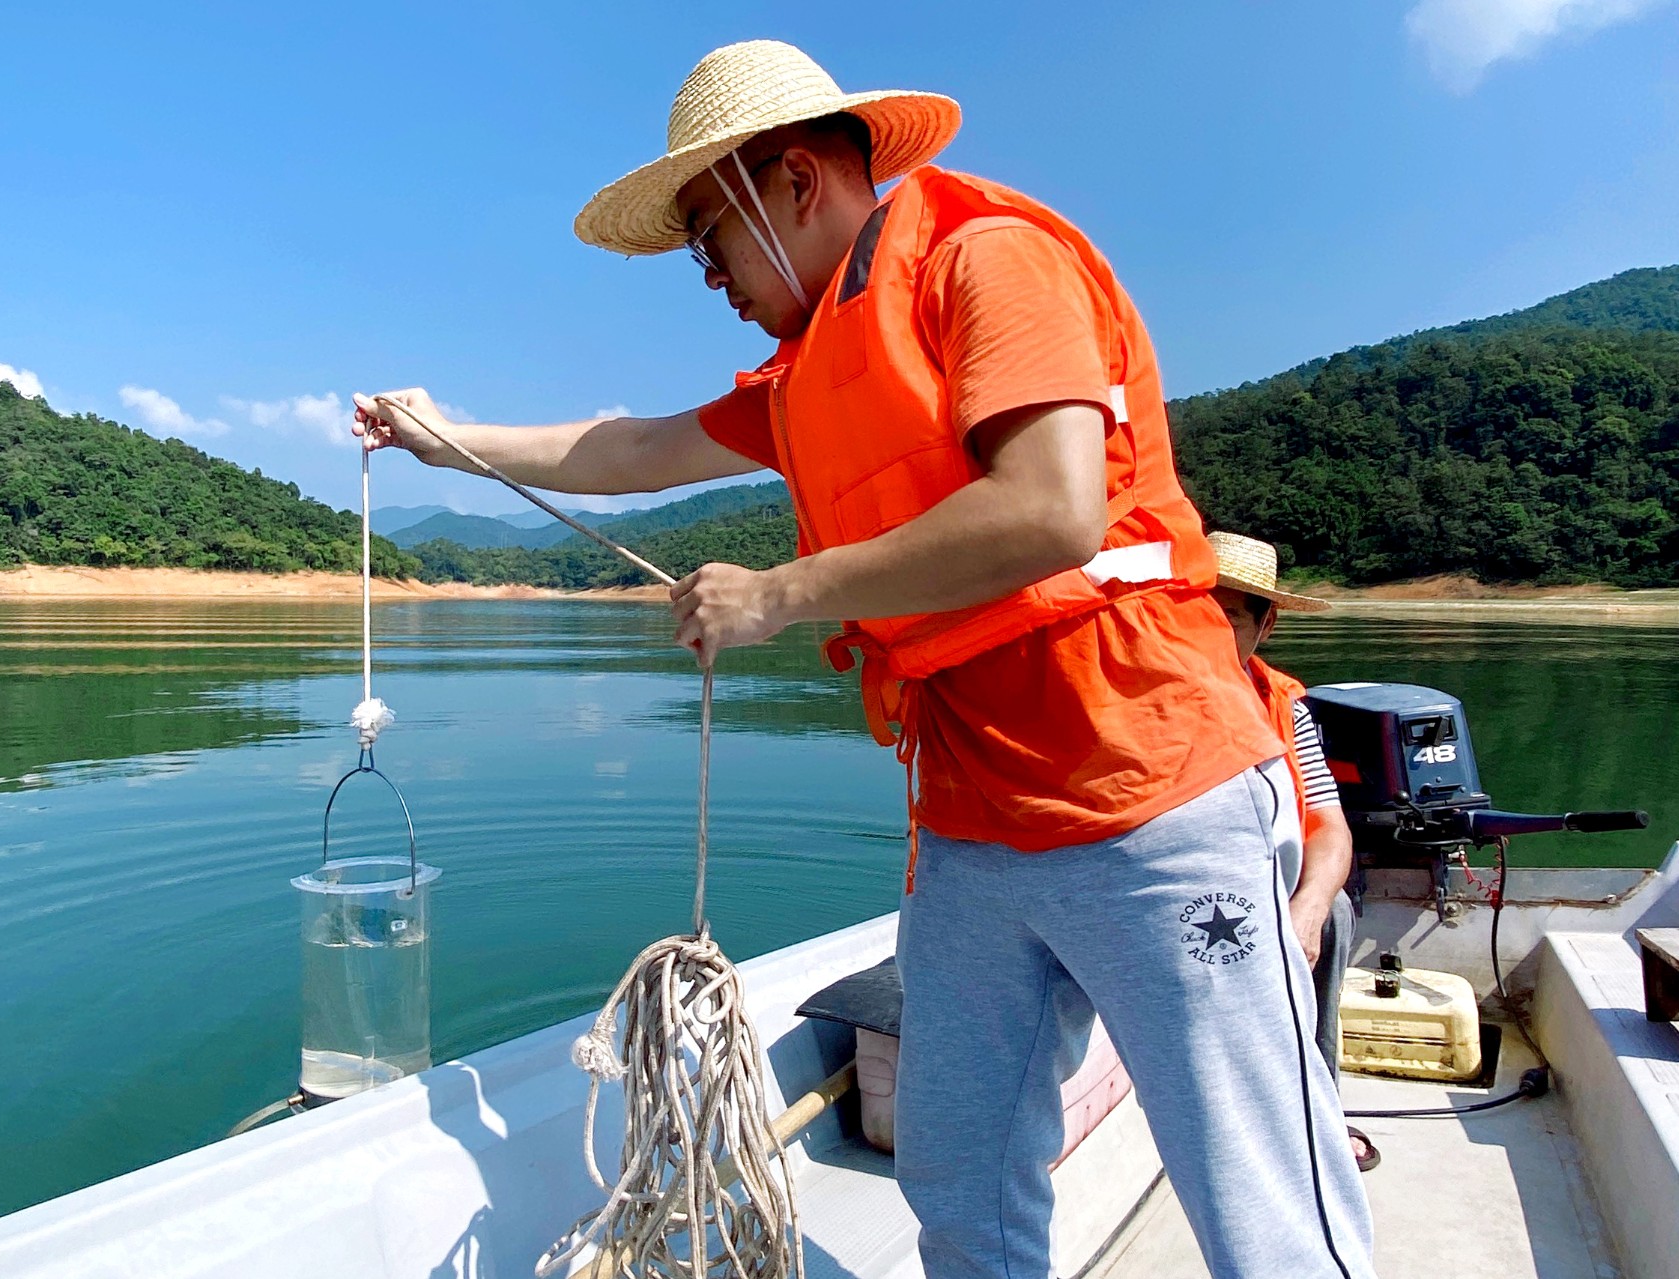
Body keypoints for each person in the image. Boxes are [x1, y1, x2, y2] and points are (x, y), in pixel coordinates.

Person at [355, 40, 1375, 1279]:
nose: (708, 278)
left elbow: (1049, 507)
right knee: (958, 1177)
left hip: (1150, 794)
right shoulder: (802, 376)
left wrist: (780, 592)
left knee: (1256, 1188)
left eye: (707, 239)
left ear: (790, 182)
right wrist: (444, 441)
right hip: (970, 826)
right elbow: (623, 449)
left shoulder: (985, 261)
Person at [1208, 530, 1380, 1174]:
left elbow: (1329, 828)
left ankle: (1318, 1108)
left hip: (1268, 891)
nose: (1205, 633)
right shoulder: (1144, 696)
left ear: (1266, 624)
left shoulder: (1286, 707)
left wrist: (1307, 907)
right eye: (1193, 613)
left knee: (1331, 920)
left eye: (1226, 618)